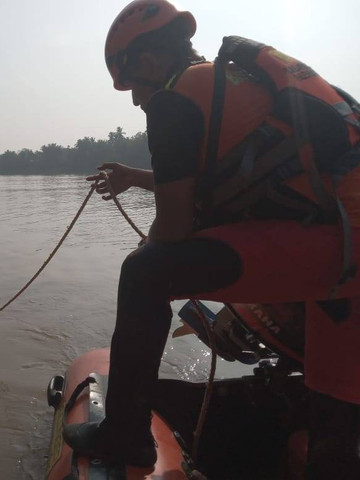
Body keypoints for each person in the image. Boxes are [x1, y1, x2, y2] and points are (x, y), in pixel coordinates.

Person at [62, 1, 360, 478]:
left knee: (143, 274)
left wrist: (151, 249)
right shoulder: (233, 82)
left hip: (333, 247)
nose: (137, 100)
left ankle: (125, 435)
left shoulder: (174, 98)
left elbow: (175, 227)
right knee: (333, 409)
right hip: (345, 248)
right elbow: (233, 176)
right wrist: (134, 178)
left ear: (148, 62)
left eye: (133, 85)